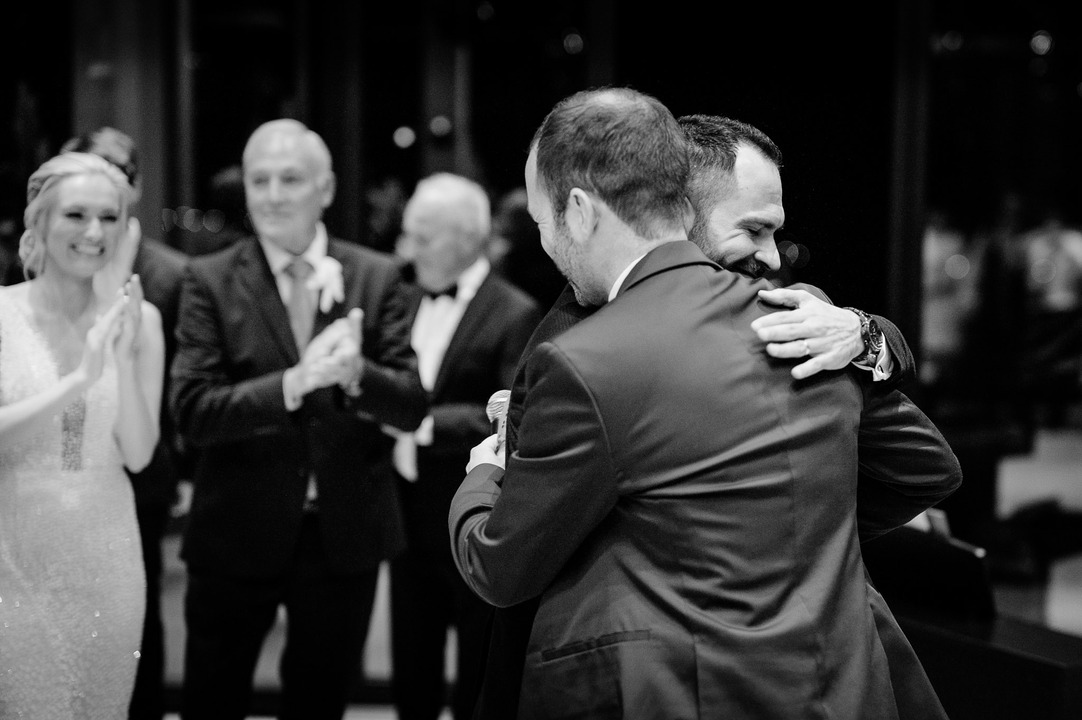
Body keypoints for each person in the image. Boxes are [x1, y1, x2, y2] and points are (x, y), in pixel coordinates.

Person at [449, 87, 961, 719]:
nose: (772, 257)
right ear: (680, 207)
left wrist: (870, 334)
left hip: (677, 685)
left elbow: (509, 560)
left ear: (580, 211)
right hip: (816, 678)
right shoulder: (579, 336)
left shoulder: (808, 325)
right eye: (754, 228)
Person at [170, 118, 427, 720]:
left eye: (290, 179)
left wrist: (356, 373)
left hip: (342, 532)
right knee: (213, 698)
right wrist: (294, 383)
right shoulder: (208, 280)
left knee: (321, 703)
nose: (273, 194)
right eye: (259, 180)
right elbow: (192, 413)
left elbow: (413, 407)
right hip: (235, 527)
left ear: (327, 188)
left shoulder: (376, 275)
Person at [0, 152, 164, 717]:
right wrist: (80, 380)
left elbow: (140, 456)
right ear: (39, 221)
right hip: (14, 556)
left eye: (109, 217)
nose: (94, 232)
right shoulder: (0, 316)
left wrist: (121, 350)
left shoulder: (142, 321)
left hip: (108, 555)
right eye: (75, 215)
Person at [386, 172, 540, 720]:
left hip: (470, 507)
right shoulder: (402, 297)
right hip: (403, 507)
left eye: (421, 236)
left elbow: (506, 413)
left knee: (475, 659)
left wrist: (416, 423)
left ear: (466, 237)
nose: (407, 249)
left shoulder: (515, 310)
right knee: (412, 659)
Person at [60, 125, 190, 720]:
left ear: (134, 188)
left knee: (133, 616)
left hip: (140, 471)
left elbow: (183, 387)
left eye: (111, 170)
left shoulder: (171, 275)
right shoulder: (33, 266)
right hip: (56, 475)